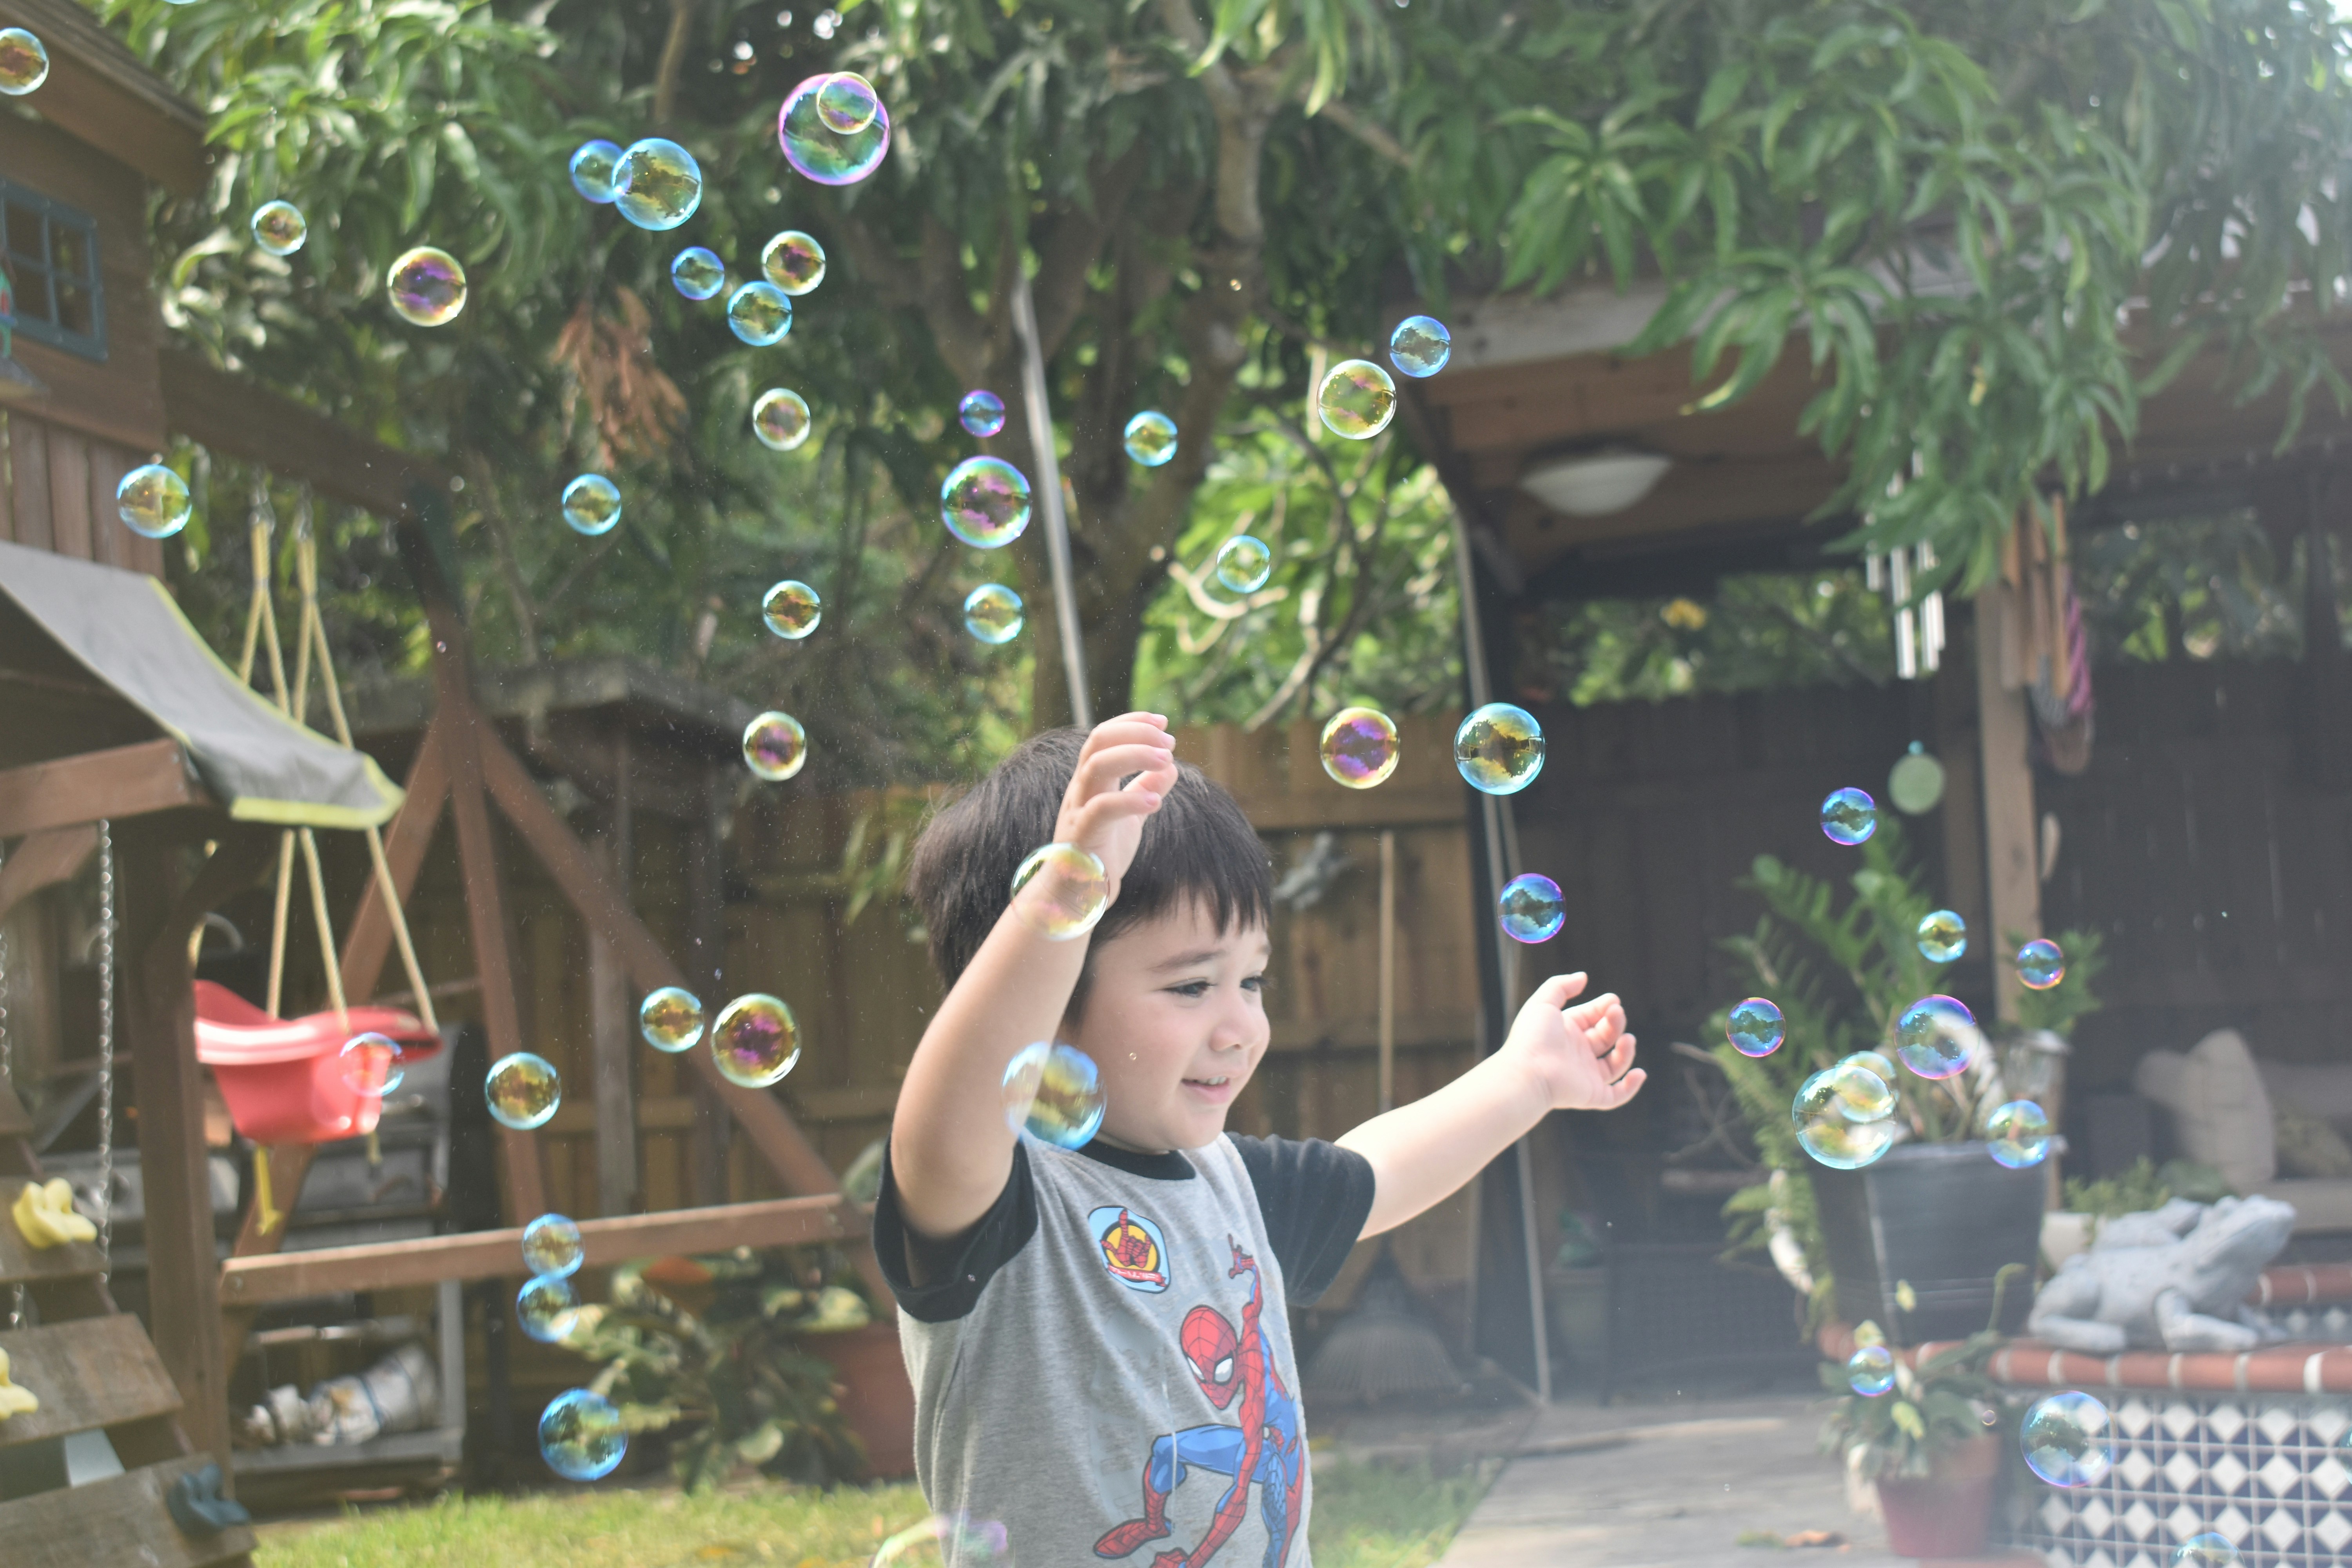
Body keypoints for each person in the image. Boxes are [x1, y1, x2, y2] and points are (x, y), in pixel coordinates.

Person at [877, 713, 1643, 1568]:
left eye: (1252, 978)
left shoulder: (1226, 1183)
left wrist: (1525, 1078)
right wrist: (1070, 885)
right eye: (1194, 983)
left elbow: (1378, 1169)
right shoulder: (1003, 1201)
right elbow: (950, 1113)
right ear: (1045, 997)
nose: (1242, 1023)